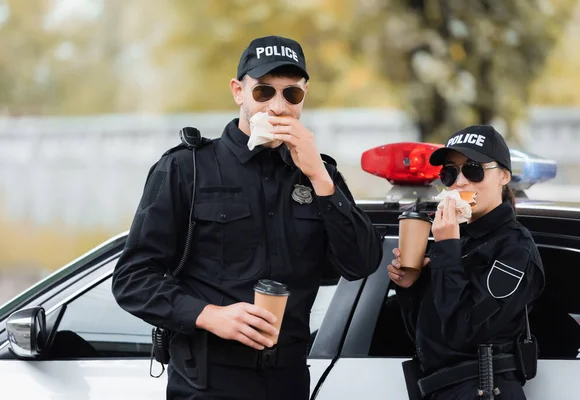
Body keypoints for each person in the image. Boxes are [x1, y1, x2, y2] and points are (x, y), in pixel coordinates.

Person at [112, 35, 382, 400]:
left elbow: (361, 263)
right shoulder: (186, 167)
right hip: (207, 379)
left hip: (288, 380)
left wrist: (319, 177)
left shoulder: (320, 174)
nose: (277, 106)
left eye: (292, 94)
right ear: (239, 91)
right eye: (263, 92)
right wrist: (208, 314)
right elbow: (133, 279)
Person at [388, 126, 545, 400]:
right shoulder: (451, 239)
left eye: (473, 169)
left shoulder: (515, 248)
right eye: (450, 172)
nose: (459, 182)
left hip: (483, 388)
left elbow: (465, 333)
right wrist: (411, 287)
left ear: (504, 176)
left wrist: (447, 248)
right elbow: (429, 339)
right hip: (437, 388)